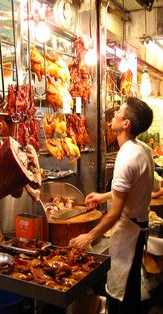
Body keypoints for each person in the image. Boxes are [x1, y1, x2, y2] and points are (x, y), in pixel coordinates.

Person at [70, 97, 154, 314]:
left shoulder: (126, 157)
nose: (114, 115)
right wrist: (104, 196)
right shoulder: (142, 149)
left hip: (128, 234)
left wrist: (89, 236)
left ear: (126, 124)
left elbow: (115, 213)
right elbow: (130, 191)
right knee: (132, 288)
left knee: (120, 293)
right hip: (138, 228)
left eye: (119, 112)